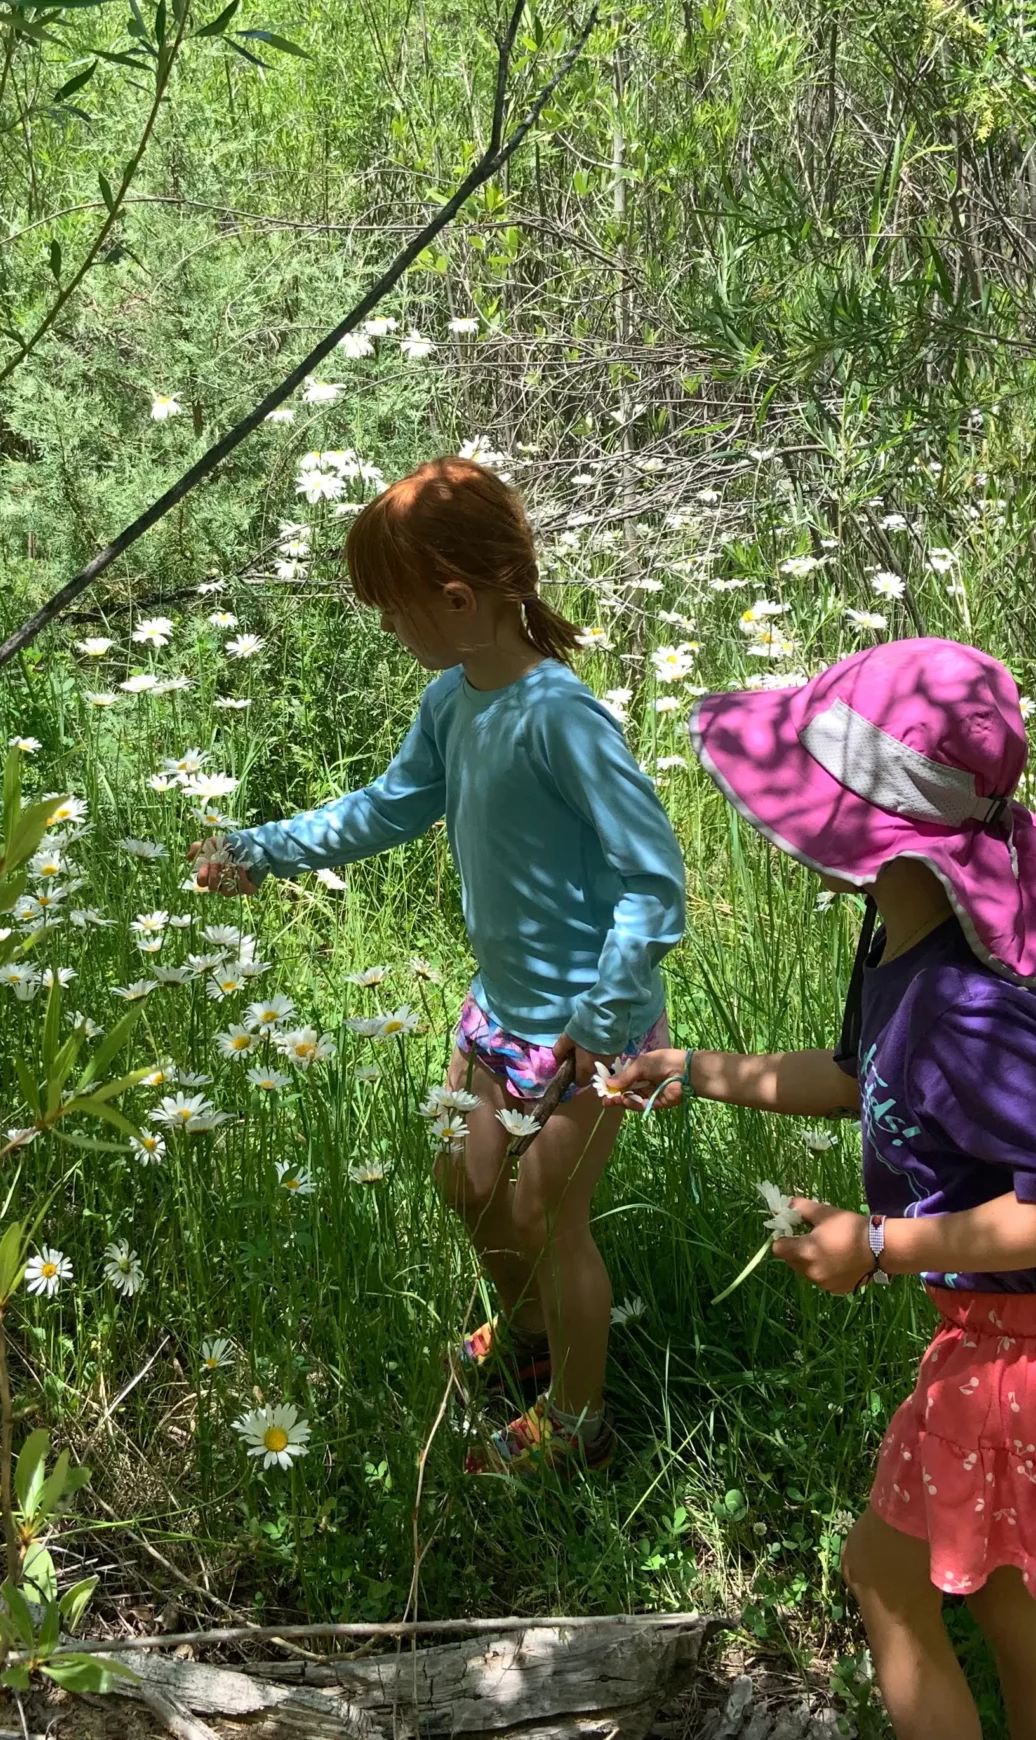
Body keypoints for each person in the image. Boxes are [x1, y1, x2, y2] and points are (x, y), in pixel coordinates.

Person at [609, 638, 1036, 1738]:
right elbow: (853, 1079)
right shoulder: (899, 936)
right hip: (1033, 1333)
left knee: (885, 1577)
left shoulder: (970, 1009)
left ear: (856, 821)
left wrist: (882, 1242)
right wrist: (692, 1070)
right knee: (1004, 1601)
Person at [193, 456, 685, 1474]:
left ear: (457, 598)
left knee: (548, 1218)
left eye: (391, 607)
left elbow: (655, 880)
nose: (386, 626)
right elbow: (389, 805)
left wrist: (601, 1019)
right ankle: (526, 1342)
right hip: (501, 1010)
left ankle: (580, 1420)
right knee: (463, 1188)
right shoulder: (454, 702)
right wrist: (262, 848)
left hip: (593, 1029)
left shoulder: (560, 714)